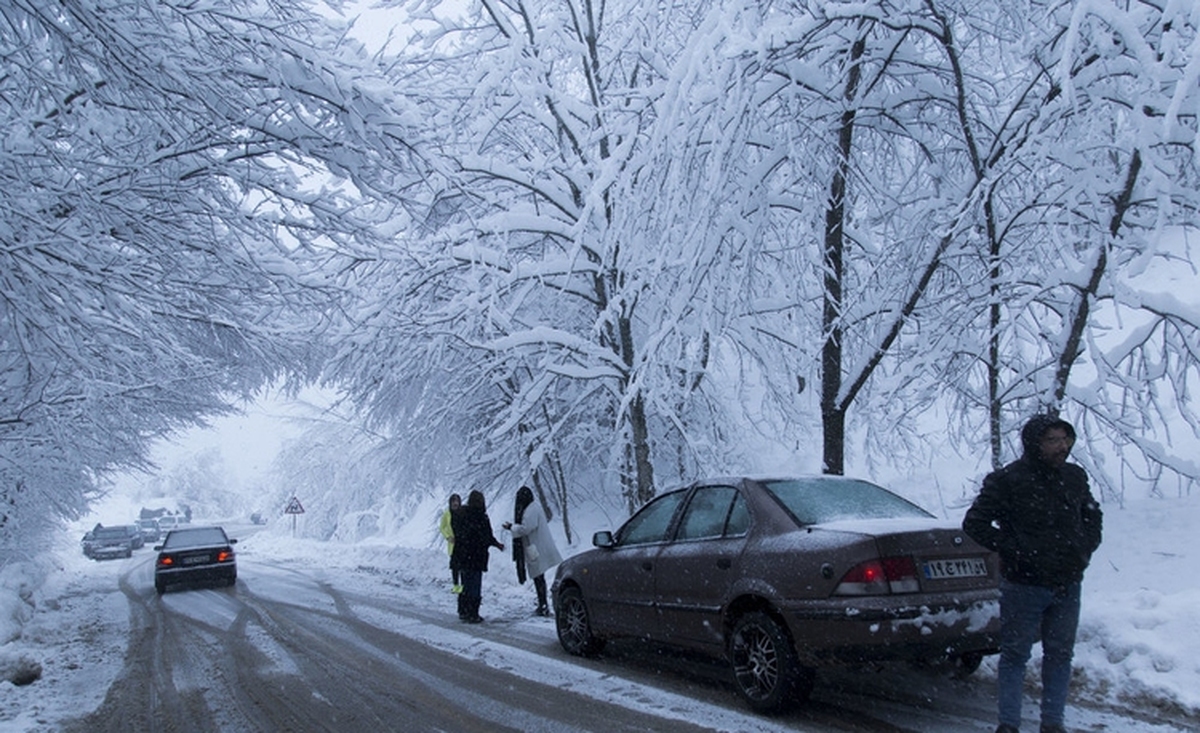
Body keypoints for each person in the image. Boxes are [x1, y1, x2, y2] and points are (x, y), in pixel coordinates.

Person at [963, 414, 1103, 733]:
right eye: (1052, 440)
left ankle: (1053, 724)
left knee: (1060, 654)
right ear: (1035, 444)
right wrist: (1016, 550)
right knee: (1015, 654)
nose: (1061, 446)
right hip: (1024, 584)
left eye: (1064, 439)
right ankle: (1009, 724)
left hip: (1067, 582)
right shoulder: (1008, 480)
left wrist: (1085, 547)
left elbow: (1091, 513)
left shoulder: (1074, 476)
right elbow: (975, 524)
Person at [502, 486, 563, 617]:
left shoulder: (530, 511)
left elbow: (526, 528)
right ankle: (543, 604)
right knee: (539, 576)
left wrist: (511, 527)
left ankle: (543, 604)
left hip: (536, 548)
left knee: (538, 576)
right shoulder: (534, 507)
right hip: (537, 546)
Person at [450, 490, 504, 623]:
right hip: (477, 557)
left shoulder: (462, 514)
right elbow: (487, 536)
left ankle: (463, 610)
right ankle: (473, 613)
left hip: (463, 555)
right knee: (475, 584)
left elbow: (456, 529)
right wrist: (497, 544)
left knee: (465, 584)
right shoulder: (482, 518)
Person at [439, 493, 462, 594]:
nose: (455, 503)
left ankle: (463, 585)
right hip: (453, 544)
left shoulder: (463, 513)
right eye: (453, 501)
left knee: (463, 566)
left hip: (463, 543)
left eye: (457, 501)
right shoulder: (447, 514)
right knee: (455, 567)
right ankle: (456, 585)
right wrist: (448, 537)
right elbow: (442, 527)